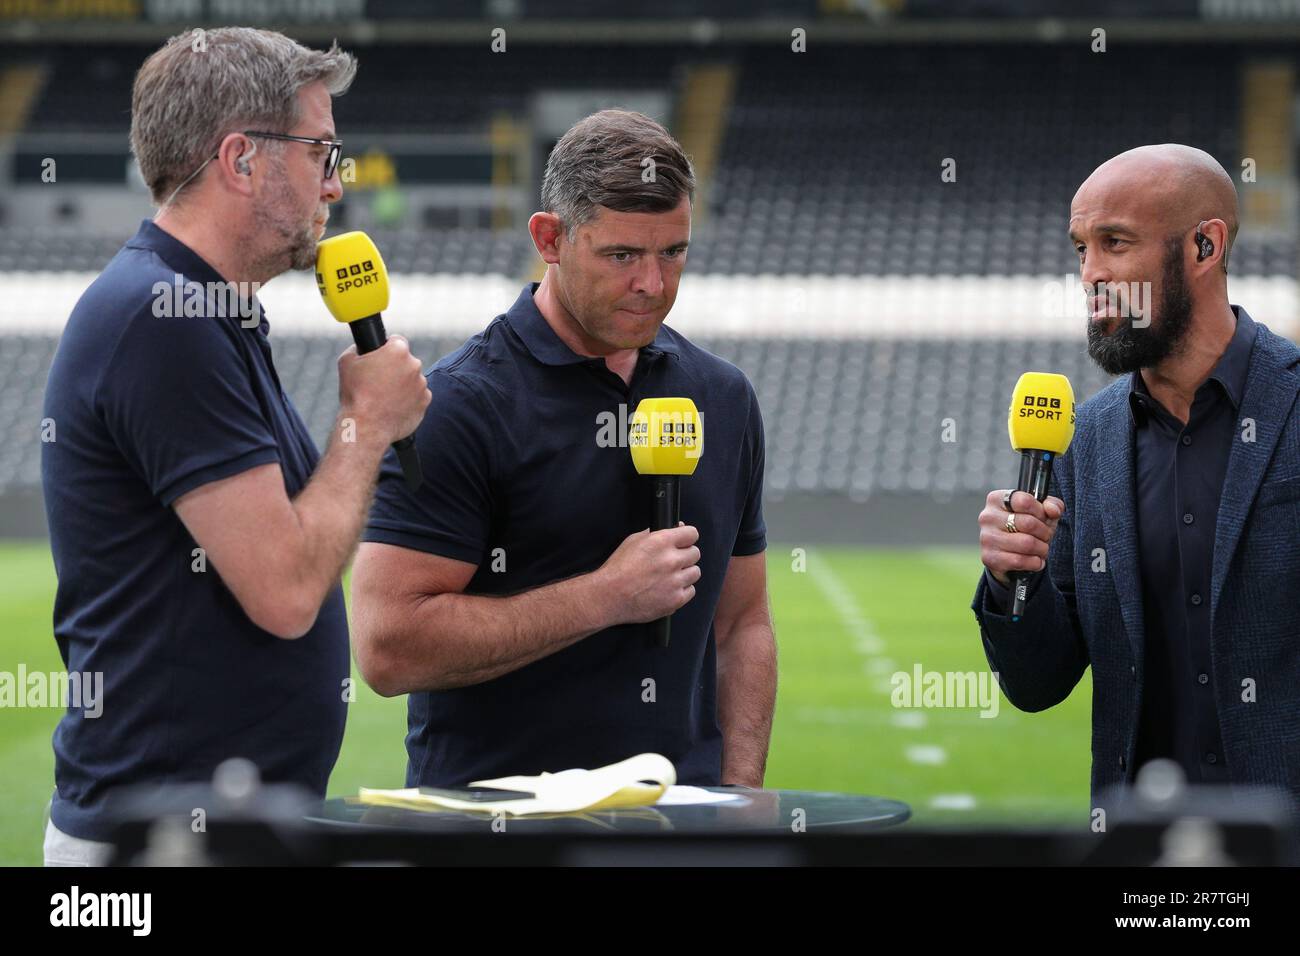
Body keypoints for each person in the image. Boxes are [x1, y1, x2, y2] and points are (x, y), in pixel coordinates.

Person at [40, 27, 430, 865]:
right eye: (321, 150)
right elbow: (286, 590)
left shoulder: (205, 308)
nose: (337, 180)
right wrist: (364, 423)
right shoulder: (163, 316)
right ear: (240, 159)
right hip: (161, 843)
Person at [351, 109, 776, 789]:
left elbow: (742, 622)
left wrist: (742, 792)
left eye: (674, 252)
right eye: (622, 256)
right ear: (550, 238)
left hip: (682, 822)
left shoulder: (722, 398)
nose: (654, 284)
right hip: (498, 829)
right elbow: (388, 647)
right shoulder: (460, 404)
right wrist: (606, 596)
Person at [973, 144, 1300, 816]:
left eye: (1114, 243)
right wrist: (1013, 581)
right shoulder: (1083, 441)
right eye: (1080, 249)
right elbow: (1036, 683)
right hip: (1141, 851)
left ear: (1204, 248)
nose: (1090, 273)